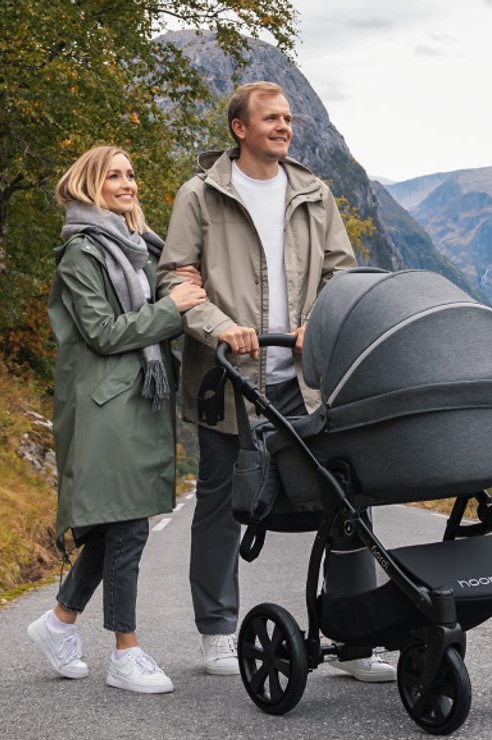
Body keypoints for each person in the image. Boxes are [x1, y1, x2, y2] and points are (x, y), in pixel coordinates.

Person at [157, 81, 395, 682]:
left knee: (347, 498)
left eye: (288, 118)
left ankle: (356, 639)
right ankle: (217, 631)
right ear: (240, 128)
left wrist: (320, 321)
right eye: (271, 119)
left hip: (307, 382)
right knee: (221, 502)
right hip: (230, 380)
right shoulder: (200, 195)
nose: (284, 127)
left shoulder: (315, 194)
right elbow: (177, 279)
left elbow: (342, 274)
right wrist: (220, 329)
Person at [27, 145, 207, 694]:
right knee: (127, 524)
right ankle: (125, 652)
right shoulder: (81, 253)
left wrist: (177, 290)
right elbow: (103, 332)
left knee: (115, 524)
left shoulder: (139, 246)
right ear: (90, 184)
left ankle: (59, 623)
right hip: (105, 405)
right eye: (114, 176)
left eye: (131, 175)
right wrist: (171, 308)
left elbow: (156, 301)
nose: (128, 184)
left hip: (136, 401)